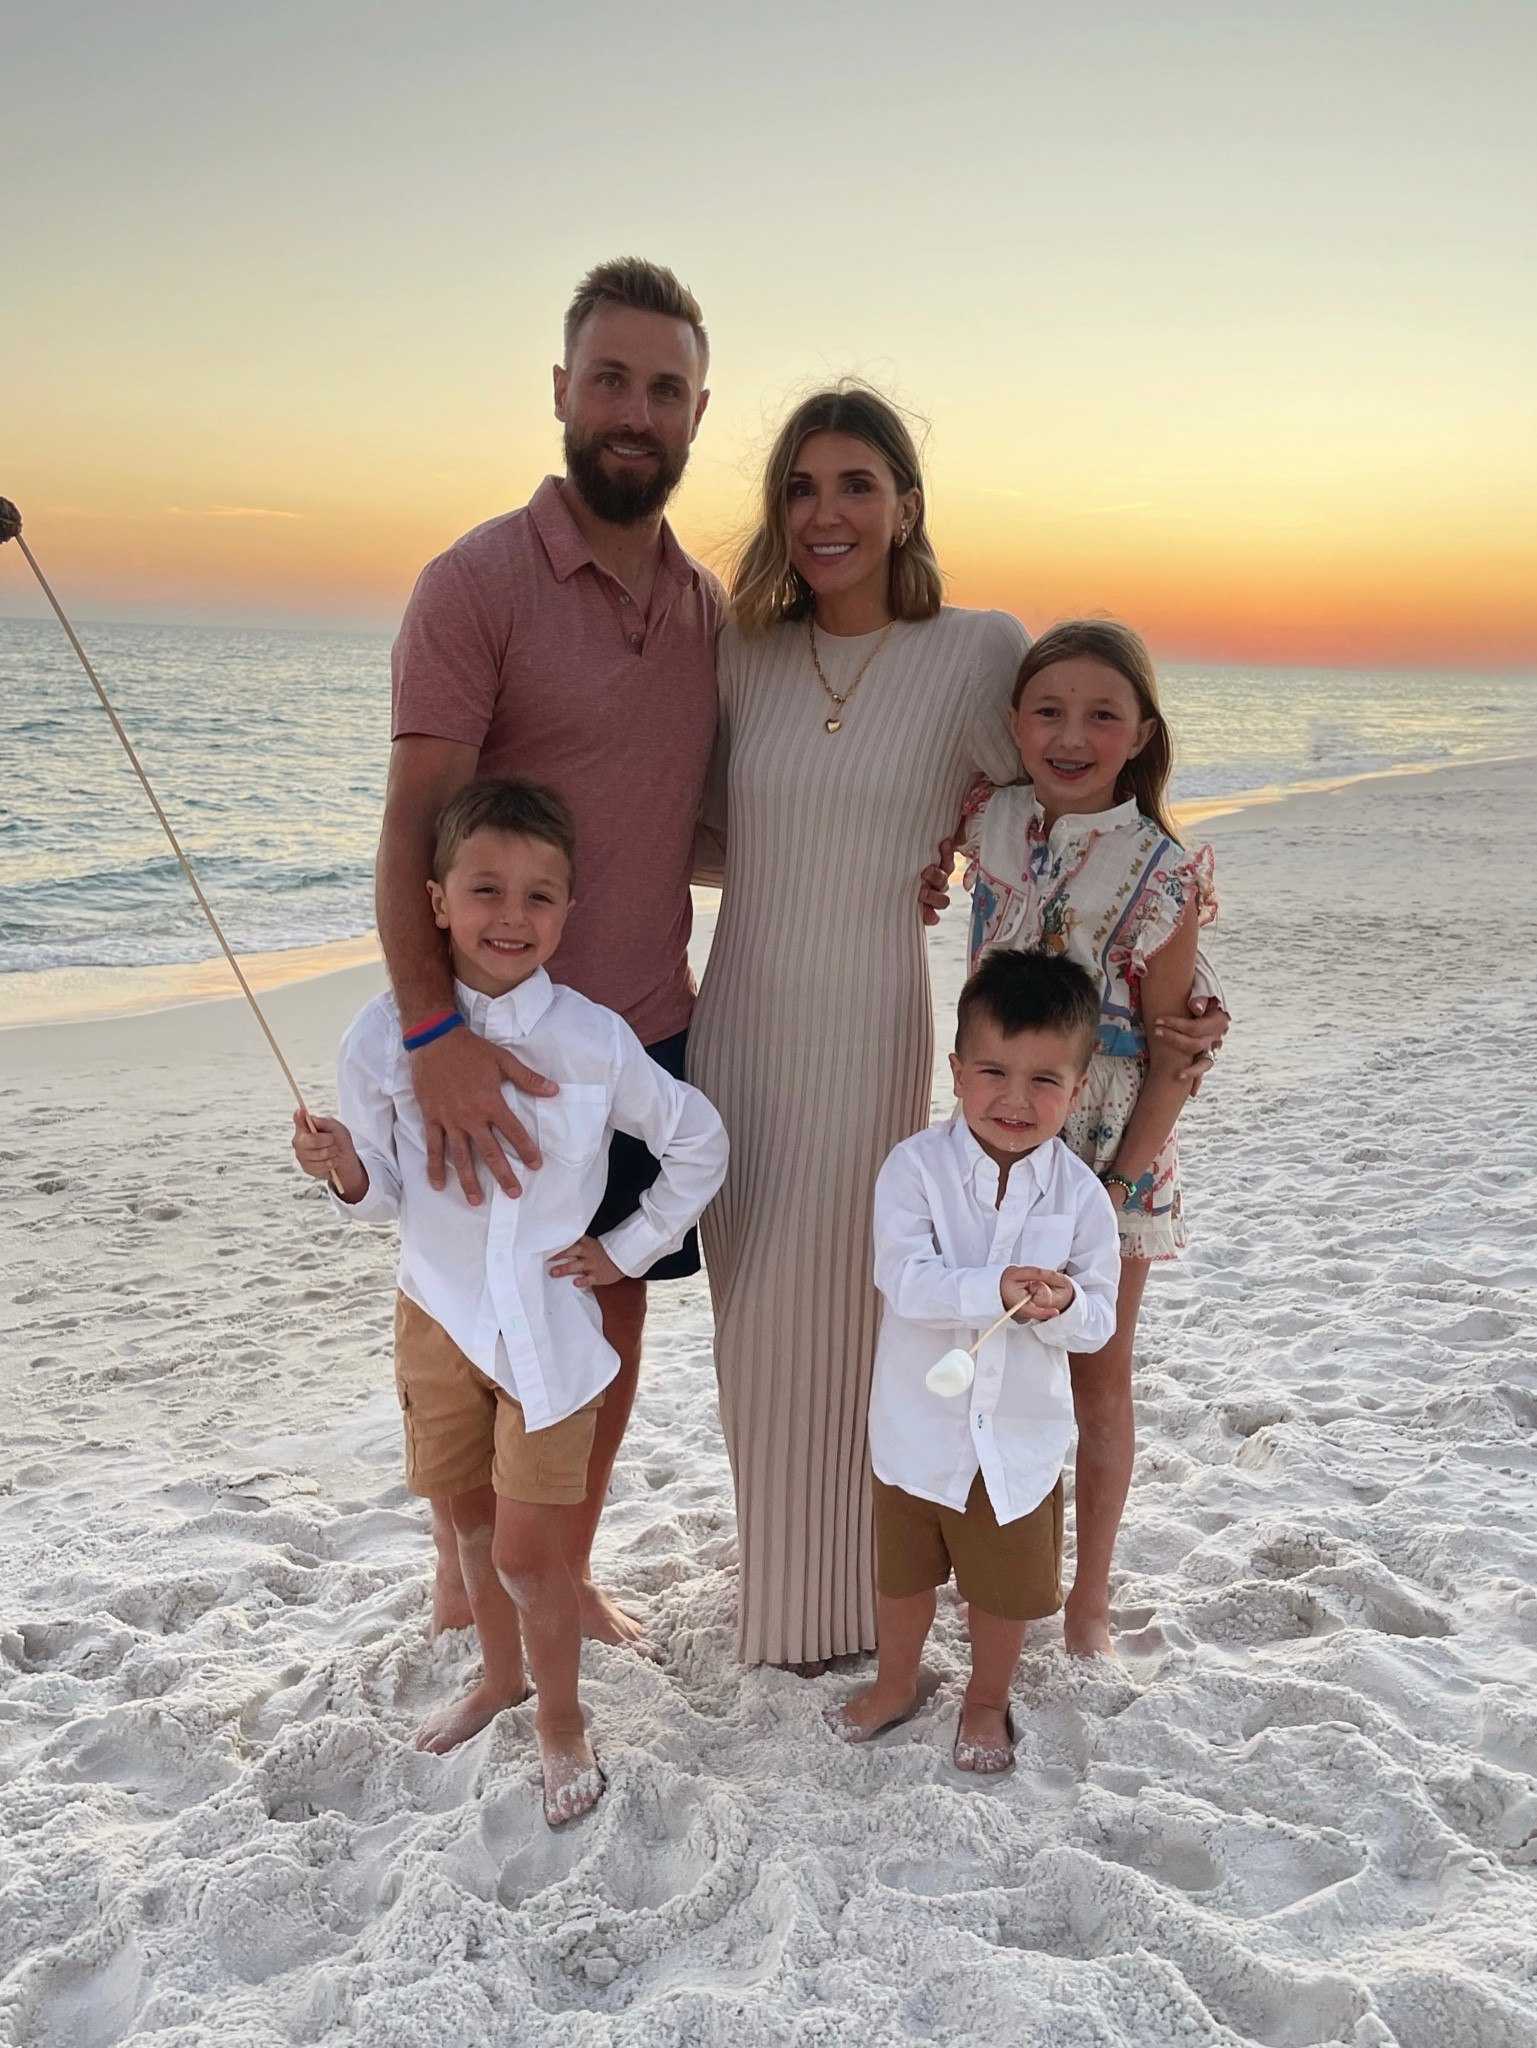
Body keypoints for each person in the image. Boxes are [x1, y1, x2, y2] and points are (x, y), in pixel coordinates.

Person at [688, 384, 1225, 1673]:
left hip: (882, 1013)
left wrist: (1179, 1016)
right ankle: (795, 1595)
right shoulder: (738, 649)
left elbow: (1064, 775)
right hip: (746, 1005)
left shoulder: (979, 644)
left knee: (880, 1307)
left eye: (857, 484)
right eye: (802, 487)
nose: (828, 512)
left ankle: (961, 1598)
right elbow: (709, 832)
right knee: (758, 1309)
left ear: (905, 504)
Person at [380, 257, 721, 1647]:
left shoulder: (708, 615)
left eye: (665, 388)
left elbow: (681, 830)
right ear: (562, 394)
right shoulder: (474, 584)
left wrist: (903, 858)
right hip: (491, 1046)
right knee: (461, 1321)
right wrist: (431, 1038)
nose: (634, 411)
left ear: (698, 414)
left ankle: (562, 1569)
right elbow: (411, 838)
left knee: (600, 1319)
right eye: (611, 380)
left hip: (642, 1025)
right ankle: (463, 1564)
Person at [293, 781, 727, 1823]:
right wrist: (343, 1167)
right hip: (436, 1311)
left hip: (550, 1331)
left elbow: (697, 1139)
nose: (510, 914)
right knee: (469, 1523)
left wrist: (625, 1250)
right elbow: (385, 1197)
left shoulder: (592, 1038)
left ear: (568, 913)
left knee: (534, 1551)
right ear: (435, 899)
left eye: (539, 895)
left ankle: (561, 1720)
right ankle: (498, 1677)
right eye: (485, 888)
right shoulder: (380, 1036)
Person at [953, 618, 1217, 1655]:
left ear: (1141, 732)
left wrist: (1109, 1197)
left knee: (1094, 1368)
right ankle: (995, 1561)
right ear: (1013, 723)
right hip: (994, 1133)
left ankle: (1090, 1596)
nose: (1071, 734)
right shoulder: (991, 820)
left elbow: (1170, 1053)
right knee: (994, 1353)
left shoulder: (1160, 871)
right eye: (1047, 710)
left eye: (1101, 714)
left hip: (1110, 1152)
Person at [830, 950, 1120, 1770]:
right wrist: (990, 1289)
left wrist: (1062, 1307)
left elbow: (1098, 1319)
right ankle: (895, 1682)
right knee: (902, 1577)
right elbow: (902, 1277)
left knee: (1002, 1592)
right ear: (955, 1071)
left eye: (1044, 1081)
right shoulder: (914, 1169)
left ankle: (985, 1700)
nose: (1015, 1100)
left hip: (1017, 1443)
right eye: (992, 1071)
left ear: (1078, 1087)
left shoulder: (1079, 1198)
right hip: (916, 1433)